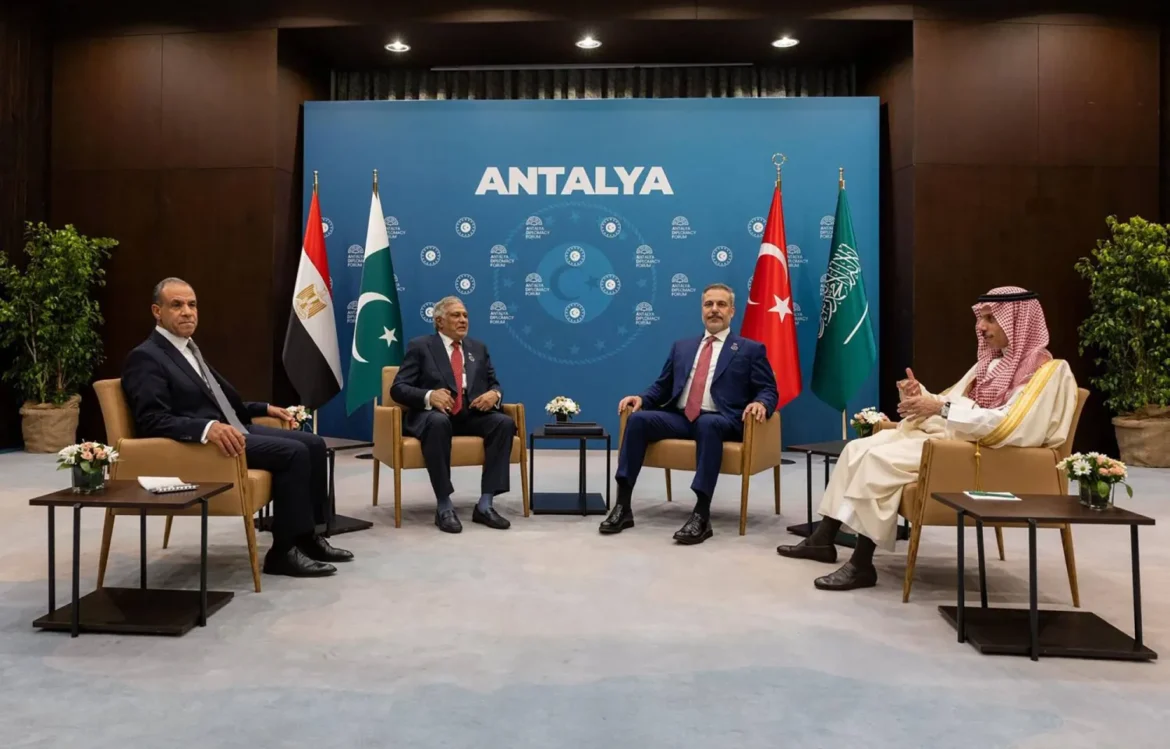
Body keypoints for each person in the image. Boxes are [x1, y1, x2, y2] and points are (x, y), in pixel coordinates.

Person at [778, 286, 1078, 590]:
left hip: (988, 456)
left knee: (877, 461)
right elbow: (954, 403)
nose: (981, 327)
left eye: (991, 318)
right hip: (959, 443)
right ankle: (823, 538)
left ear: (1017, 321)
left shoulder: (1048, 373)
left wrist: (939, 408)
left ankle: (861, 564)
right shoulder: (989, 363)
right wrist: (920, 395)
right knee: (856, 449)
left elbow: (1010, 425)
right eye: (981, 318)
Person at [121, 278, 353, 578]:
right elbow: (152, 420)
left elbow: (216, 399)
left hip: (232, 428)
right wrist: (207, 428)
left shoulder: (187, 349)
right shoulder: (146, 357)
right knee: (294, 453)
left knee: (314, 444)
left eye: (192, 304)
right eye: (176, 305)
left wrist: (262, 408)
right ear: (157, 311)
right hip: (200, 445)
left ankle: (310, 537)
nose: (187, 312)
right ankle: (283, 552)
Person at [599, 283, 779, 544]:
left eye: (721, 304)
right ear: (701, 310)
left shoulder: (749, 349)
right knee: (637, 420)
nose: (714, 309)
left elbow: (768, 389)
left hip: (723, 420)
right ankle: (623, 506)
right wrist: (642, 398)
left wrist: (761, 403)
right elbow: (662, 386)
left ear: (732, 311)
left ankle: (701, 515)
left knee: (708, 423)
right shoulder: (682, 347)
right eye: (708, 304)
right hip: (682, 418)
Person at [390, 296, 516, 533]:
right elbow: (398, 388)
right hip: (434, 416)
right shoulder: (421, 346)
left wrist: (494, 395)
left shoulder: (478, 348)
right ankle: (444, 506)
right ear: (439, 321)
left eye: (465, 315)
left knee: (504, 423)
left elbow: (494, 383)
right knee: (438, 422)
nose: (463, 320)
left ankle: (485, 504)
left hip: (471, 414)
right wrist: (429, 396)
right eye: (456, 315)